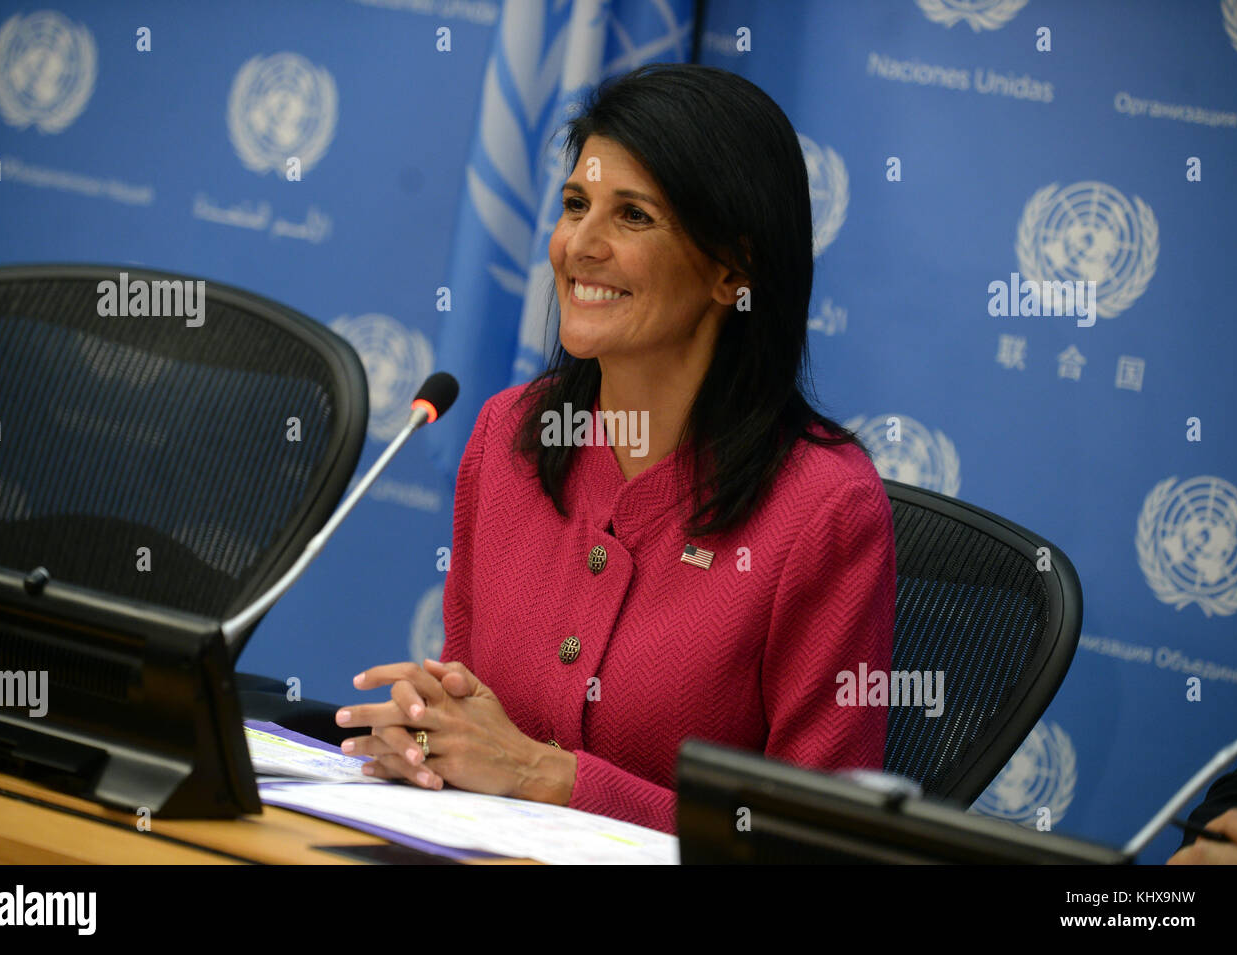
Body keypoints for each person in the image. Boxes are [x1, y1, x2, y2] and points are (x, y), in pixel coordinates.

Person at [335, 63, 896, 833]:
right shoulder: (509, 436)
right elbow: (466, 710)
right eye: (575, 205)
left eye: (633, 216)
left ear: (733, 269)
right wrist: (429, 741)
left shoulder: (824, 509)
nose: (579, 246)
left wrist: (551, 776)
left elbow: (815, 842)